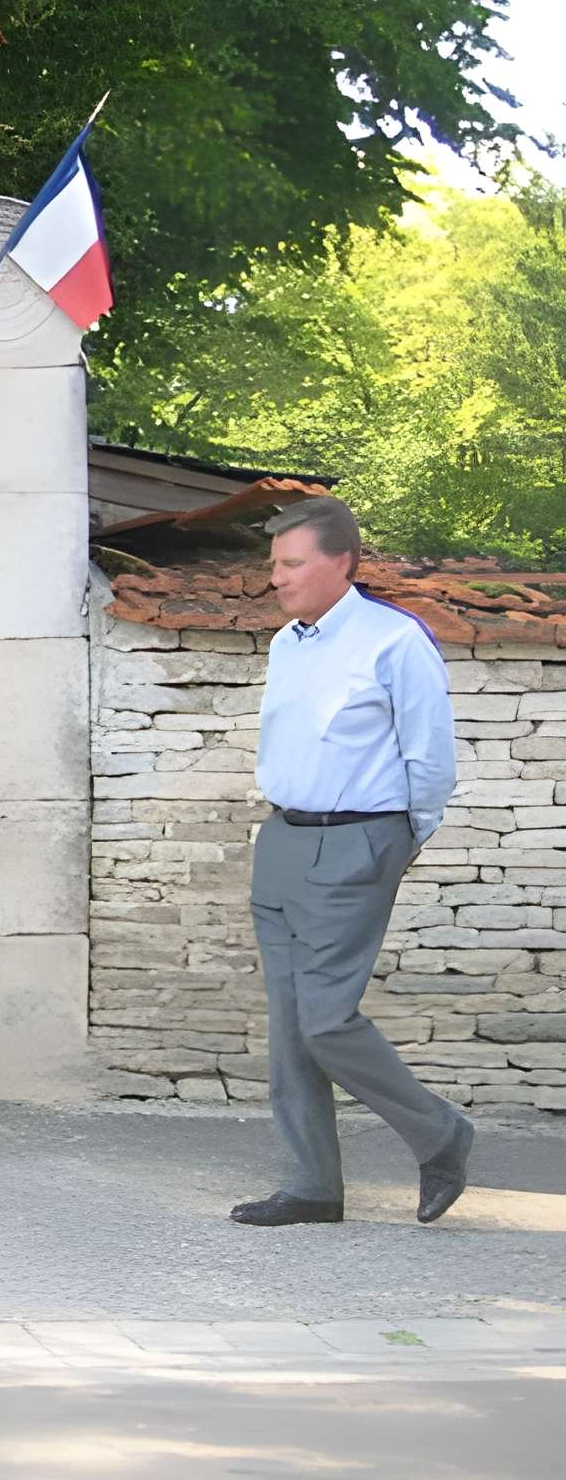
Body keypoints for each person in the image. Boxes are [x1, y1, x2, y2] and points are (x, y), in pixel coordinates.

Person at [231, 495, 479, 1228]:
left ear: (340, 561)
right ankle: (311, 1185)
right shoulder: (288, 644)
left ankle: (440, 1133)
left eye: (291, 563)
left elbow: (429, 758)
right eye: (274, 564)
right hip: (282, 841)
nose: (276, 577)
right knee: (290, 1026)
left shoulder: (394, 642)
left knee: (327, 1020)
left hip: (357, 840)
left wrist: (399, 838)